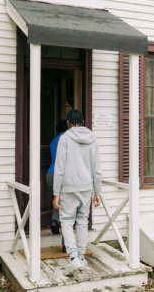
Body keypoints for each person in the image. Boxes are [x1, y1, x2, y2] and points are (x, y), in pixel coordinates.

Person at [53, 109, 102, 275]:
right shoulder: (92, 138)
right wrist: (97, 192)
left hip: (68, 187)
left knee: (66, 221)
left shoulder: (65, 139)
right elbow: (97, 169)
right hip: (87, 187)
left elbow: (59, 168)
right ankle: (81, 257)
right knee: (82, 220)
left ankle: (73, 258)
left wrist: (56, 193)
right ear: (82, 122)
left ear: (68, 122)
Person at [46, 119, 68, 236]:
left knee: (58, 199)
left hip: (50, 175)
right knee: (66, 203)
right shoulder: (68, 140)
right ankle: (66, 236)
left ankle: (55, 220)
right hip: (62, 175)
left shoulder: (53, 141)